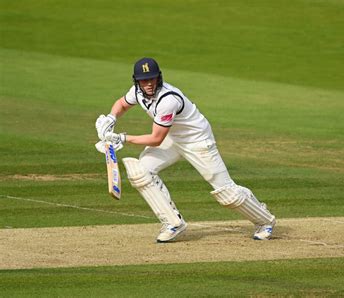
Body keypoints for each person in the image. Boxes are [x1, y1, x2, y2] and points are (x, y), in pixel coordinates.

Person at [95, 57, 276, 242]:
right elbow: (122, 103)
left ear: (159, 78)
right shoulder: (137, 92)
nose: (149, 84)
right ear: (137, 81)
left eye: (152, 78)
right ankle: (173, 223)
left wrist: (122, 138)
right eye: (144, 80)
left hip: (197, 141)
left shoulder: (168, 100)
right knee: (141, 172)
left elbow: (156, 139)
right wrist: (111, 118)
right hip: (173, 138)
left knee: (226, 193)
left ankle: (265, 221)